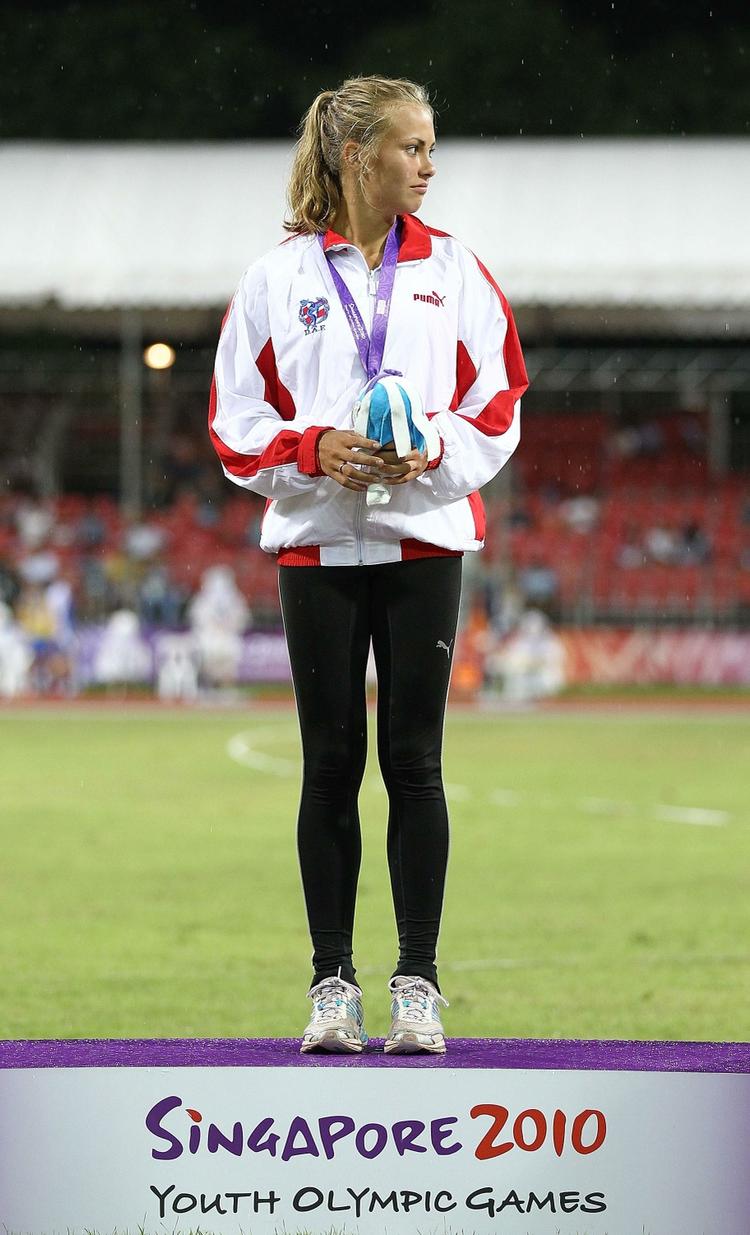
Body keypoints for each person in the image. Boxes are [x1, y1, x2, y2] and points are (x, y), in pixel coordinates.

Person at [209, 75, 527, 1054]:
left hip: (425, 533)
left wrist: (429, 447)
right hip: (318, 538)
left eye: (431, 147)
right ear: (358, 156)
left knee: (416, 763)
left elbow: (501, 400)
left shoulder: (457, 270)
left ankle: (418, 983)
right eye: (413, 147)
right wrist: (312, 450)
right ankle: (332, 985)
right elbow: (233, 422)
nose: (429, 165)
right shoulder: (279, 278)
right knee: (330, 765)